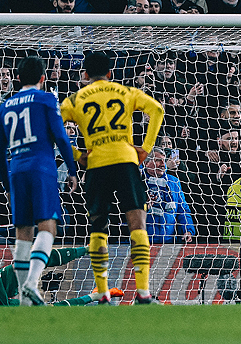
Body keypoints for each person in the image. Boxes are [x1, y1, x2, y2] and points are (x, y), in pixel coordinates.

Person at [60, 52, 165, 305]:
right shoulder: (125, 91)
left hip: (96, 164)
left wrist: (77, 154)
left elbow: (55, 129)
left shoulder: (73, 100)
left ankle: (103, 292)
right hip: (125, 160)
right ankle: (143, 292)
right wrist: (146, 148)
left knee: (98, 227)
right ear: (110, 73)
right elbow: (157, 110)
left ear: (84, 75)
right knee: (137, 224)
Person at [0, 57, 78, 306]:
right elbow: (61, 137)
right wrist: (72, 169)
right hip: (42, 168)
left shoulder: (6, 105)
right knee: (48, 226)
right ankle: (31, 282)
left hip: (16, 170)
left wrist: (7, 185)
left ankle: (23, 298)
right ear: (43, 78)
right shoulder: (46, 99)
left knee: (22, 234)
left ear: (17, 78)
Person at [0, 247, 124, 307]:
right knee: (47, 309)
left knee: (28, 261)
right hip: (2, 306)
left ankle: (87, 248)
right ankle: (93, 296)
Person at [143, 147, 196, 244]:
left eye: (164, 161)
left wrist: (187, 230)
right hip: (143, 242)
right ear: (146, 163)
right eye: (158, 161)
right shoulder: (137, 181)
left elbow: (182, 209)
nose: (163, 165)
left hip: (169, 242)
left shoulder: (173, 182)